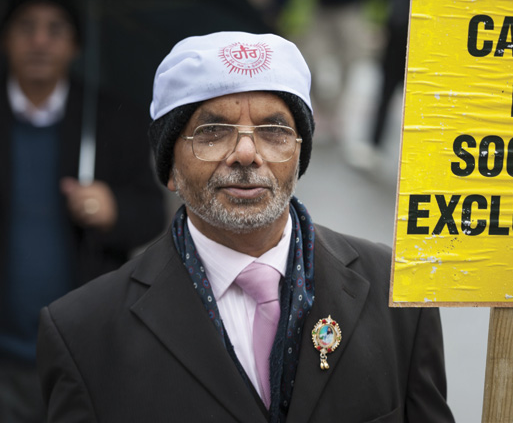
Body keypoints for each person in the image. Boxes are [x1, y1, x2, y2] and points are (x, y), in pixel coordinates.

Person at [37, 31, 454, 422]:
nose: (246, 153)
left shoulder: (397, 293)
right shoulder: (85, 335)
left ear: (298, 155)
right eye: (213, 131)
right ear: (170, 171)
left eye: (274, 130)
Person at [0, 0, 166, 421]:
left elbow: (152, 210)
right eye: (25, 27)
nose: (39, 41)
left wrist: (114, 210)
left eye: (55, 29)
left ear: (75, 45)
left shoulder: (111, 118)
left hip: (83, 350)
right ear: (5, 39)